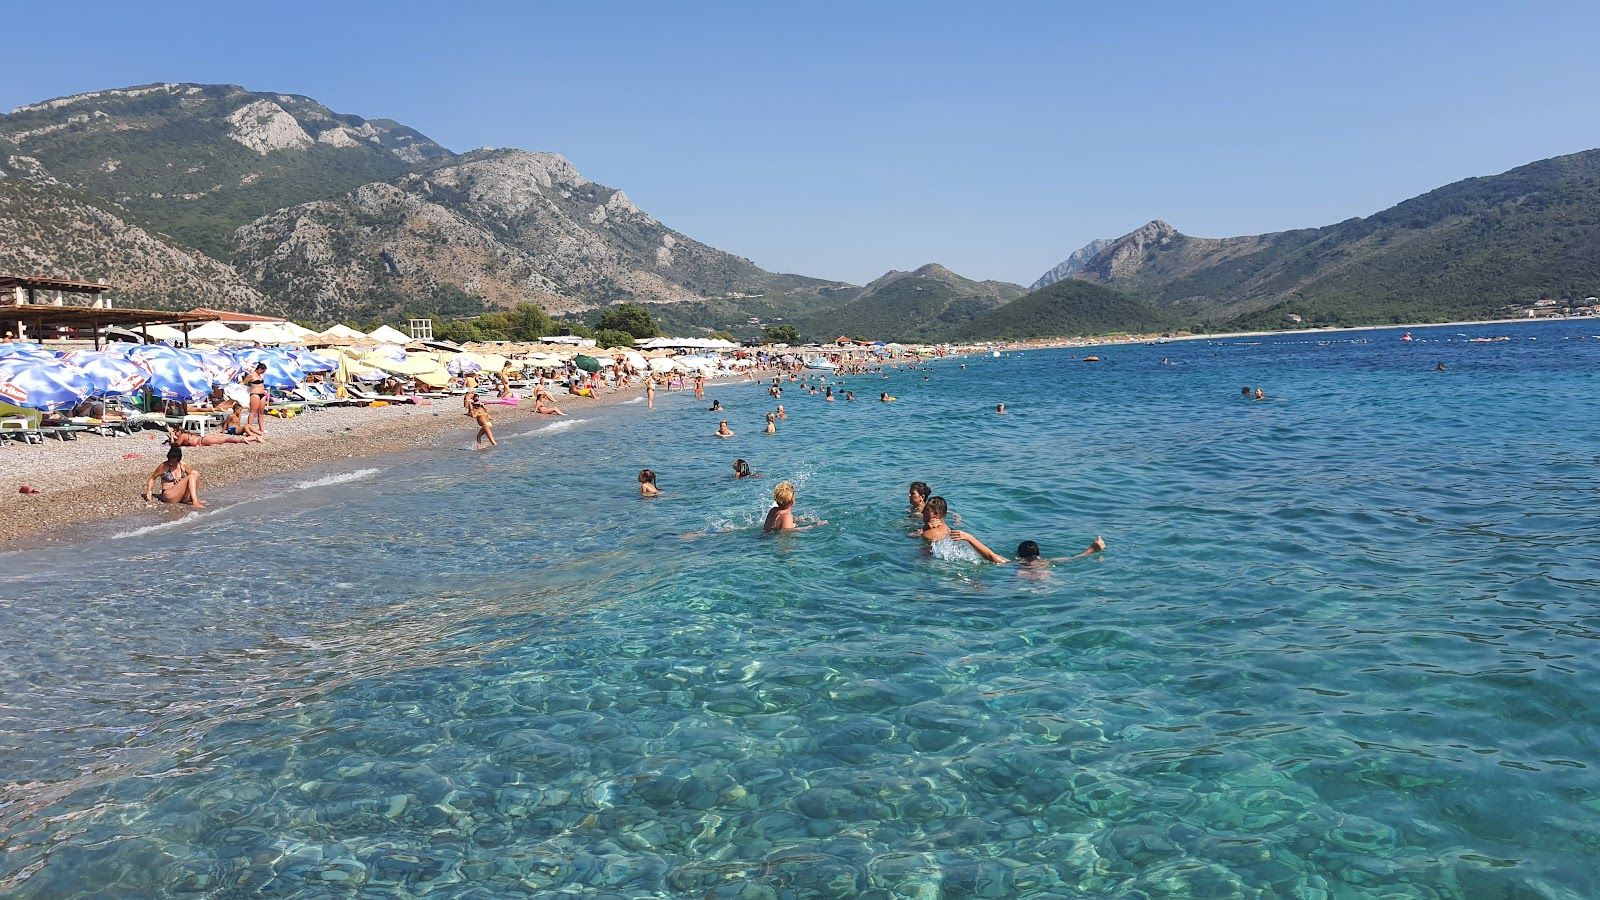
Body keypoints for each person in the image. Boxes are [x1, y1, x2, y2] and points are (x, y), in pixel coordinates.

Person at [243, 363, 268, 437]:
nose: (263, 372)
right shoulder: (251, 375)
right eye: (262, 371)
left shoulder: (260, 376)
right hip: (255, 394)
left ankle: (261, 429)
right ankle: (249, 428)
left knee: (261, 413)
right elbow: (244, 382)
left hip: (262, 394)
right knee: (253, 412)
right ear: (259, 369)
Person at [167, 426, 257, 447]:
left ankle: (243, 440)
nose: (175, 434)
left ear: (178, 431)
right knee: (225, 439)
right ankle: (253, 438)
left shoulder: (182, 435)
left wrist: (171, 436)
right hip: (204, 439)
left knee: (226, 440)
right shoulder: (186, 434)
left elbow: (175, 446)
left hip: (203, 441)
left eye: (175, 432)